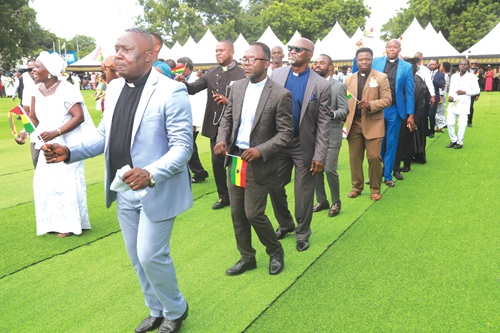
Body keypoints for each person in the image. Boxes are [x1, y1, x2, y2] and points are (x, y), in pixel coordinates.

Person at [42, 28, 192, 333]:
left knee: (151, 254)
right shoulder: (113, 89)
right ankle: (156, 310)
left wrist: (151, 173)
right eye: (116, 49)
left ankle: (176, 310)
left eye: (126, 50)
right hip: (123, 190)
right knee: (137, 258)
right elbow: (103, 139)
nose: (117, 56)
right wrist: (69, 150)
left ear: (149, 56)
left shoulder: (171, 91)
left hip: (156, 189)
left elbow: (183, 147)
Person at [214, 42, 293, 276]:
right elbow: (227, 118)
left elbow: (286, 134)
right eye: (245, 58)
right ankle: (247, 257)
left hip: (259, 163)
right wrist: (221, 139)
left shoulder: (280, 95)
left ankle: (275, 250)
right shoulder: (237, 87)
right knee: (237, 213)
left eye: (252, 59)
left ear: (266, 63)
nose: (246, 63)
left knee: (253, 213)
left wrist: (261, 150)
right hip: (236, 159)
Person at [16, 51, 96, 237]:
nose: (32, 70)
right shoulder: (35, 90)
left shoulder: (66, 88)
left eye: (36, 67)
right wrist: (24, 133)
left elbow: (79, 116)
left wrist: (56, 132)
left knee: (66, 183)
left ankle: (70, 224)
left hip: (66, 143)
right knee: (44, 182)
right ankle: (53, 222)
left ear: (50, 71)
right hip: (45, 143)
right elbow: (34, 119)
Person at [268, 38, 331, 252]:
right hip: (278, 142)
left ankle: (302, 232)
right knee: (273, 185)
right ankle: (285, 224)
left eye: (297, 49)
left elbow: (323, 123)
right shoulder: (276, 75)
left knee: (303, 192)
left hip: (303, 144)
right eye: (290, 48)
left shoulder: (321, 84)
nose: (292, 52)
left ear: (309, 55)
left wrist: (320, 155)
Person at [176, 40, 245, 210]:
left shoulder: (242, 74)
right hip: (215, 125)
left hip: (237, 125)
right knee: (217, 162)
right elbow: (192, 88)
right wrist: (183, 83)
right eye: (216, 51)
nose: (218, 53)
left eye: (221, 50)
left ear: (232, 52)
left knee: (237, 162)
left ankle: (241, 197)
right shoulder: (211, 73)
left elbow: (249, 100)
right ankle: (223, 196)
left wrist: (228, 101)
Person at [354, 39, 414, 188]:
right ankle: (376, 174)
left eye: (395, 47)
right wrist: (357, 52)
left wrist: (410, 114)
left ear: (400, 49)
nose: (392, 49)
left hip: (395, 109)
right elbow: (358, 68)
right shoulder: (376, 62)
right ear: (385, 48)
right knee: (377, 143)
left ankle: (387, 175)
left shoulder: (406, 67)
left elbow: (410, 91)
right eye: (389, 47)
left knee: (391, 143)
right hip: (375, 108)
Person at [345, 48, 392, 201]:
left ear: (372, 60)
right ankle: (357, 186)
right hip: (354, 124)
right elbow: (346, 99)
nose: (364, 62)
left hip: (373, 123)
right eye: (361, 59)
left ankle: (375, 188)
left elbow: (387, 100)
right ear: (356, 61)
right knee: (354, 158)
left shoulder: (381, 77)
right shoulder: (349, 79)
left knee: (373, 157)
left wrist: (371, 104)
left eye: (367, 59)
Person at [311, 54, 349, 217]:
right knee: (315, 169)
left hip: (332, 134)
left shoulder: (338, 86)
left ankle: (336, 202)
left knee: (329, 169)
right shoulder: (310, 84)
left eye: (321, 63)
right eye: (316, 62)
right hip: (312, 135)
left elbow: (344, 110)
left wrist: (332, 113)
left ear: (331, 67)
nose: (317, 65)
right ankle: (322, 200)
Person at [176, 56, 209, 183]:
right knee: (188, 146)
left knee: (189, 146)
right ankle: (198, 172)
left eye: (180, 67)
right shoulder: (180, 80)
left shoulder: (196, 81)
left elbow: (198, 103)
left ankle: (199, 172)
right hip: (184, 119)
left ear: (187, 68)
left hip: (192, 120)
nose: (177, 70)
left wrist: (193, 124)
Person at [446, 59, 480, 150]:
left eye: (465, 64)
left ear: (468, 66)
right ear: (459, 66)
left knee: (461, 124)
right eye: (461, 64)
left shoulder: (472, 77)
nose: (463, 66)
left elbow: (477, 90)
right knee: (449, 123)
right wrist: (450, 96)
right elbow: (451, 89)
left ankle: (460, 142)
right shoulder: (454, 76)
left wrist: (465, 92)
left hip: (464, 103)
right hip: (453, 103)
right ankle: (453, 140)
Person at [427, 59, 445, 138]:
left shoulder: (440, 74)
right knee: (424, 114)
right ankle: (426, 130)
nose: (432, 66)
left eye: (434, 64)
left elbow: (441, 84)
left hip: (434, 96)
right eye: (431, 64)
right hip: (425, 96)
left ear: (437, 65)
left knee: (431, 115)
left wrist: (432, 80)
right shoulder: (426, 72)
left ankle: (432, 131)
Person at [435, 61, 451, 132]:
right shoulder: (444, 75)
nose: (440, 67)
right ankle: (439, 126)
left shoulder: (445, 76)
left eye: (441, 66)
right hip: (441, 94)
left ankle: (442, 124)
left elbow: (444, 87)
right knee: (440, 111)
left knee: (438, 111)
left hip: (441, 95)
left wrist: (441, 97)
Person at [467, 60, 480, 127]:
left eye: (475, 63)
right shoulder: (466, 71)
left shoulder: (478, 72)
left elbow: (479, 83)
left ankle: (469, 121)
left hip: (473, 92)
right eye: (472, 63)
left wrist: (477, 95)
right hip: (465, 91)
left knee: (471, 107)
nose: (473, 64)